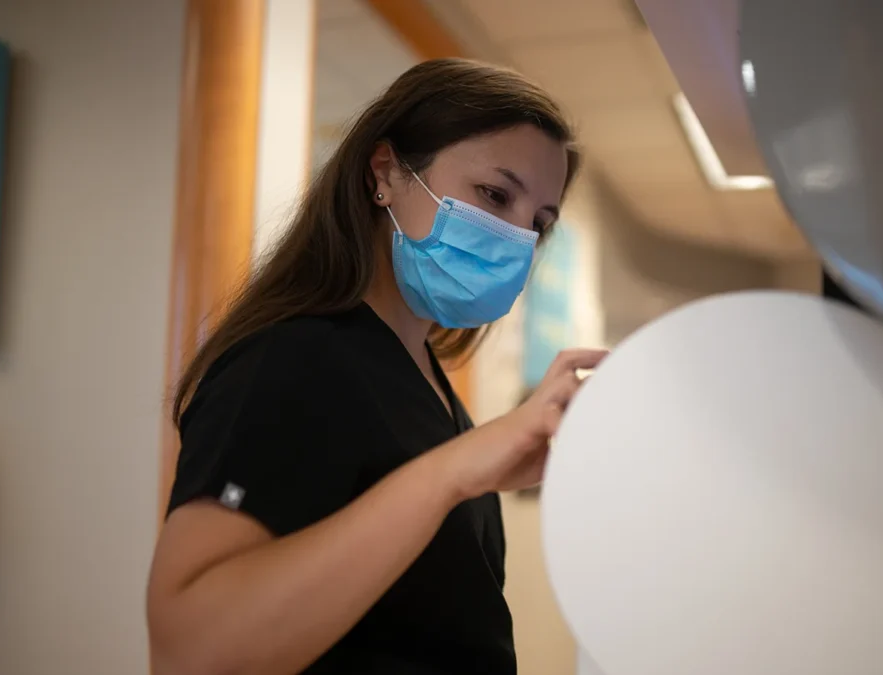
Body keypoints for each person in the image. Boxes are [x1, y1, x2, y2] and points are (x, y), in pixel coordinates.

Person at [146, 58, 607, 675]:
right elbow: (190, 649)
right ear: (385, 172)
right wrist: (454, 472)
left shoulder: (434, 394)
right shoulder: (293, 359)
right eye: (495, 195)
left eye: (539, 224)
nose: (517, 238)